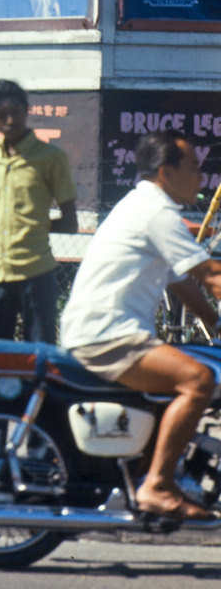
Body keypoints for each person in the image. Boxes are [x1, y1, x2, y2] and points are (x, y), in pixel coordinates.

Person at [60, 131, 221, 520]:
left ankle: (150, 469)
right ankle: (157, 485)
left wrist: (214, 322)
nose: (201, 178)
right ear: (166, 171)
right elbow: (211, 274)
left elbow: (182, 282)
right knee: (198, 380)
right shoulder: (157, 213)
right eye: (194, 168)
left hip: (105, 331)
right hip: (109, 336)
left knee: (193, 365)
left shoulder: (141, 205)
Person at [0, 79, 77, 344]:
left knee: (39, 353)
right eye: (1, 115)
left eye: (16, 112)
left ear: (26, 110)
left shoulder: (51, 157)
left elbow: (70, 222)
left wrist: (35, 225)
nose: (10, 120)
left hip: (36, 271)